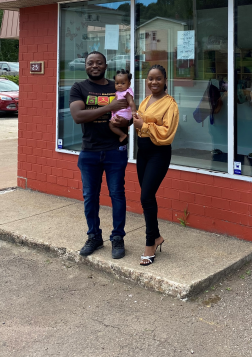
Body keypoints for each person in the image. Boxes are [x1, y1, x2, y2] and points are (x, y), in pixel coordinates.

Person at [69, 51, 132, 260]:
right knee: (90, 197)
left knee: (117, 194)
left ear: (106, 65)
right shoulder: (79, 88)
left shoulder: (116, 87)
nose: (94, 66)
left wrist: (125, 122)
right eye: (90, 63)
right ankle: (94, 236)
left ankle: (118, 237)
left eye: (99, 63)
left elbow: (127, 116)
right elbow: (78, 116)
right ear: (85, 66)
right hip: (89, 151)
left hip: (115, 150)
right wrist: (110, 107)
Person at [132, 64, 179, 266]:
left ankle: (150, 243)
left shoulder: (171, 105)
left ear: (165, 81)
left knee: (146, 196)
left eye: (158, 78)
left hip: (159, 153)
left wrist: (144, 125)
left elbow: (167, 133)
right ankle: (157, 235)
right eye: (150, 78)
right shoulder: (146, 100)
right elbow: (139, 121)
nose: (153, 82)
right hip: (142, 153)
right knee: (147, 198)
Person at [109, 69, 136, 143]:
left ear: (129, 84)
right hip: (120, 113)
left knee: (111, 125)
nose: (119, 85)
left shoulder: (127, 92)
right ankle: (122, 134)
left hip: (124, 114)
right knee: (114, 124)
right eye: (117, 83)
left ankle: (122, 135)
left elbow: (131, 102)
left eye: (123, 83)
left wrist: (134, 112)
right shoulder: (118, 92)